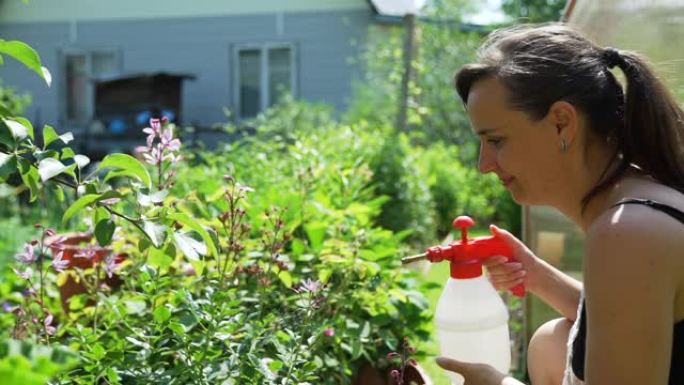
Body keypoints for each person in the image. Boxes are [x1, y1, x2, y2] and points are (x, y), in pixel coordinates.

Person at [434, 23, 684, 385]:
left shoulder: (629, 233)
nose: (483, 165)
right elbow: (628, 320)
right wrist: (535, 274)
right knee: (551, 342)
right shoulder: (641, 200)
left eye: (497, 140)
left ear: (561, 123)